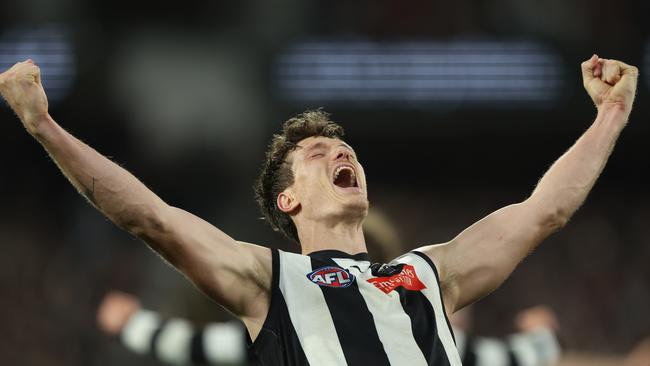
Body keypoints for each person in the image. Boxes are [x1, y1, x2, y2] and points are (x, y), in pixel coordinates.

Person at [0, 54, 638, 366]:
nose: (341, 149)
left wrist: (611, 114)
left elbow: (544, 211)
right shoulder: (269, 279)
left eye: (345, 145)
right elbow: (152, 218)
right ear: (289, 199)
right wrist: (45, 128)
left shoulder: (430, 274)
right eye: (316, 151)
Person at [96, 291, 562, 366]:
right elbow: (524, 357)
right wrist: (543, 334)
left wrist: (133, 325)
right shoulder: (444, 345)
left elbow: (199, 346)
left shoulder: (298, 327)